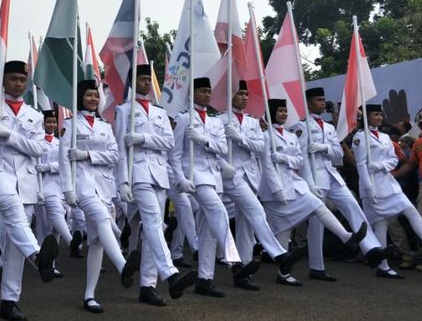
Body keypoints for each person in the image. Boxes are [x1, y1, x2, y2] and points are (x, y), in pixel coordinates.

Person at [0, 60, 59, 320]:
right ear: (3, 81)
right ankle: (37, 256)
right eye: (13, 79)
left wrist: (8, 134)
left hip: (26, 179)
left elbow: (38, 149)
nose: (18, 84)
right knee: (13, 212)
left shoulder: (34, 115)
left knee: (13, 245)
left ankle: (9, 301)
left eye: (22, 80)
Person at [258, 99, 367, 286]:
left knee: (317, 204)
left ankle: (347, 236)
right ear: (271, 113)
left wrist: (283, 158)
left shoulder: (291, 136)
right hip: (276, 190)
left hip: (294, 184)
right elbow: (267, 166)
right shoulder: (266, 136)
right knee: (284, 230)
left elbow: (299, 161)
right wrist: (277, 190)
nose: (284, 114)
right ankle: (283, 273)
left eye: (285, 111)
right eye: (280, 111)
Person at [114, 65, 197, 306]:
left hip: (160, 175)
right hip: (137, 173)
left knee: (154, 230)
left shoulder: (160, 112)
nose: (146, 83)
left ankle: (148, 286)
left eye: (148, 79)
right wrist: (123, 182)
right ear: (132, 82)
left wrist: (144, 139)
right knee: (152, 223)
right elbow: (120, 150)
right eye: (141, 79)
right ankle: (170, 275)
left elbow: (169, 144)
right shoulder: (124, 111)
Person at [59, 79, 141, 313]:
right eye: (89, 95)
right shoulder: (70, 124)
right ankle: (123, 265)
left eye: (96, 95)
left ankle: (89, 296)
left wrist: (86, 154)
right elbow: (63, 160)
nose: (93, 99)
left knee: (96, 242)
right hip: (83, 186)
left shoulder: (105, 126)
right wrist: (67, 190)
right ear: (80, 98)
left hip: (104, 187)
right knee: (104, 220)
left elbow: (114, 156)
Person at [290, 87, 386, 281]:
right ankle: (317, 267)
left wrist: (324, 147)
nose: (323, 103)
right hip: (315, 177)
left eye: (323, 99)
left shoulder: (328, 127)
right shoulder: (300, 126)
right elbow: (301, 159)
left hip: (331, 175)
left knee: (352, 205)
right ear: (308, 103)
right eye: (318, 100)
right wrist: (308, 182)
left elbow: (338, 153)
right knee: (316, 225)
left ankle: (371, 249)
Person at [218, 81, 304, 290]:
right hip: (226, 174)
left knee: (246, 226)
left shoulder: (252, 122)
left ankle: (242, 271)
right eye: (241, 93)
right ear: (230, 95)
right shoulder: (219, 120)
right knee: (252, 212)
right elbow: (213, 149)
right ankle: (278, 254)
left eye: (247, 94)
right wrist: (224, 164)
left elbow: (260, 147)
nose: (245, 97)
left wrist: (240, 139)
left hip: (248, 177)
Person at [353, 104, 422, 278]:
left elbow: (394, 159)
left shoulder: (385, 137)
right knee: (381, 224)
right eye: (375, 115)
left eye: (380, 114)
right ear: (367, 118)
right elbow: (361, 165)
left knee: (409, 210)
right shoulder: (361, 138)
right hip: (373, 186)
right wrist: (368, 187)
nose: (379, 117)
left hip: (388, 183)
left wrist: (380, 165)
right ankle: (383, 265)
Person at [169, 77, 241, 297]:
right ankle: (234, 260)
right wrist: (180, 178)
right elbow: (175, 155)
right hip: (194, 175)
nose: (207, 94)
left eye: (209, 91)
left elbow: (221, 148)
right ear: (192, 94)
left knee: (208, 230)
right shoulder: (183, 120)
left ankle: (205, 279)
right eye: (202, 91)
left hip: (214, 176)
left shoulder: (215, 122)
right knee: (218, 211)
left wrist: (203, 140)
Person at [34, 109, 83, 260]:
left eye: (54, 122)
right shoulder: (36, 142)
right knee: (43, 228)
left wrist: (48, 167)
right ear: (42, 123)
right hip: (42, 186)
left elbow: (65, 163)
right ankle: (43, 258)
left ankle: (51, 263)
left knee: (55, 228)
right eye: (48, 121)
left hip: (58, 186)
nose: (51, 124)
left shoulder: (60, 142)